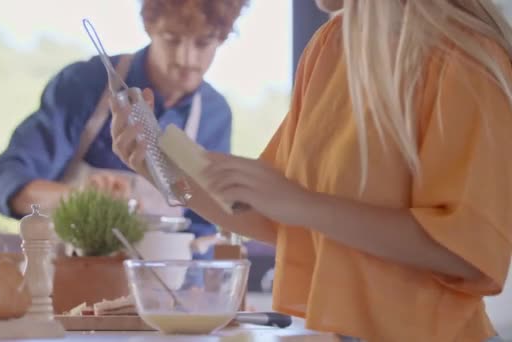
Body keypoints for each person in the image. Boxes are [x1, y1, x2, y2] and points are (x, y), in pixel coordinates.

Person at [110, 0, 512, 340]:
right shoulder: (330, 47)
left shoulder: (464, 52)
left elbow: (466, 252)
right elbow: (272, 217)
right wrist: (159, 168)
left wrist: (300, 203)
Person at [0, 0, 249, 257]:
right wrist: (79, 199)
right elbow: (0, 180)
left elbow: (202, 228)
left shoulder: (215, 115)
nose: (185, 59)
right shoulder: (84, 84)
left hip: (160, 295)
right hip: (65, 284)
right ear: (149, 26)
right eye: (172, 39)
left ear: (222, 38)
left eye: (203, 43)